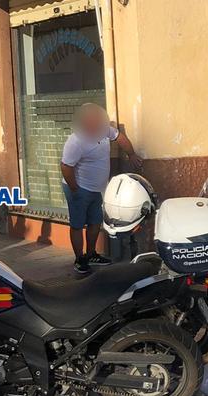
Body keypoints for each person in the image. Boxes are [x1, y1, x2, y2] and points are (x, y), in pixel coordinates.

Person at [60, 103, 143, 274]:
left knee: (95, 222)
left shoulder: (104, 130)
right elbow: (66, 167)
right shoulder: (76, 141)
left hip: (96, 190)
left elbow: (120, 138)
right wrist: (75, 189)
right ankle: (79, 258)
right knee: (77, 224)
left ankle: (91, 254)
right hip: (78, 188)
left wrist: (131, 154)